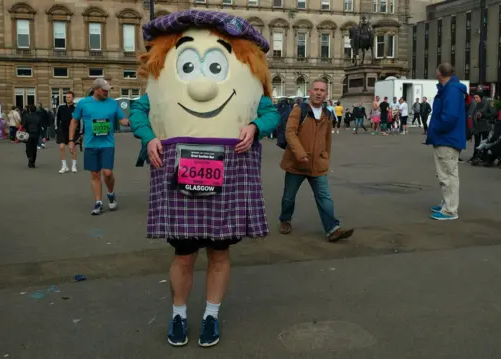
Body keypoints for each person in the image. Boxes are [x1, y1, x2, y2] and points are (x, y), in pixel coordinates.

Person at [130, 11, 280, 348]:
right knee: (184, 254)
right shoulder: (162, 72)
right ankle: (179, 313)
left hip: (229, 171)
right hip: (178, 169)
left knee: (219, 253)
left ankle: (211, 313)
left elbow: (269, 112)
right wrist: (148, 137)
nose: (202, 85)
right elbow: (140, 110)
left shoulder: (252, 83)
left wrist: (256, 127)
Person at [279, 79, 354, 241]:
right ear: (310, 91)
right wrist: (299, 153)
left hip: (317, 164)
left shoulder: (327, 114)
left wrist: (326, 156)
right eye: (316, 90)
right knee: (288, 197)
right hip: (296, 162)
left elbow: (327, 139)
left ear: (326, 94)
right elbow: (290, 133)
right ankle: (285, 220)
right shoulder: (299, 111)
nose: (319, 93)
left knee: (324, 197)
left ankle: (333, 229)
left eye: (322, 90)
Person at [69, 78, 127, 215]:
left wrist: (134, 121)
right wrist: (71, 140)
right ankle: (98, 202)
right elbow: (74, 121)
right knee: (95, 174)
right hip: (90, 144)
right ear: (96, 89)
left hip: (107, 144)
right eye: (104, 90)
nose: (107, 92)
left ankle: (111, 193)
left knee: (107, 172)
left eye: (108, 90)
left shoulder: (113, 103)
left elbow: (123, 119)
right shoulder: (83, 103)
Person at [425, 63, 467, 221]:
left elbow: (449, 117)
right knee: (446, 172)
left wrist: (437, 129)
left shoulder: (451, 90)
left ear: (440, 73)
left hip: (446, 138)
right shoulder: (452, 89)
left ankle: (450, 210)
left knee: (447, 174)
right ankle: (447, 204)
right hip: (448, 137)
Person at [469, 93, 496, 162]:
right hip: (477, 126)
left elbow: (493, 113)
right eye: (474, 97)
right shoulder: (474, 104)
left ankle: (484, 156)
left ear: (481, 97)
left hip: (485, 126)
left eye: (477, 97)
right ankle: (475, 156)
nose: (475, 99)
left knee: (485, 142)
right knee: (477, 143)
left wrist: (483, 115)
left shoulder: (488, 102)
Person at [56, 91, 78, 173]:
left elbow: (80, 120)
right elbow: (57, 118)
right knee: (61, 147)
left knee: (72, 148)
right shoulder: (61, 107)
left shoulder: (76, 108)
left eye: (69, 97)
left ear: (73, 98)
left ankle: (73, 165)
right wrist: (57, 128)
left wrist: (81, 131)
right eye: (66, 97)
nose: (67, 98)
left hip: (73, 131)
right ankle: (64, 166)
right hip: (62, 130)